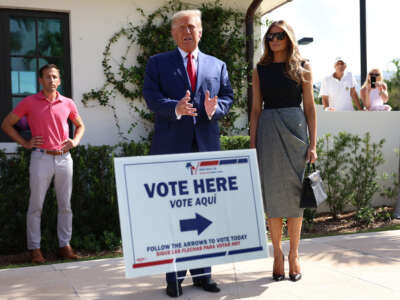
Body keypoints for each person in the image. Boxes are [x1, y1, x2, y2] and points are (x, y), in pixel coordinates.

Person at [142, 9, 234, 298]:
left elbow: (228, 96)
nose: (187, 31)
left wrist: (214, 109)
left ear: (201, 31)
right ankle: (174, 278)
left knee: (205, 213)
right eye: (181, 27)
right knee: (175, 215)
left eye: (192, 27)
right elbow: (151, 96)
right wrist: (175, 108)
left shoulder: (217, 65)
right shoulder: (158, 63)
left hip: (206, 148)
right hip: (171, 149)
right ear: (173, 33)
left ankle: (204, 275)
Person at [249, 20, 317, 282]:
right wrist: (252, 144)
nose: (273, 40)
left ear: (289, 38)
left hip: (296, 131)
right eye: (270, 36)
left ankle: (294, 254)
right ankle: (277, 254)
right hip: (268, 131)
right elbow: (255, 110)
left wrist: (313, 144)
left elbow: (310, 108)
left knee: (295, 198)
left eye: (279, 36)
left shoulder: (303, 67)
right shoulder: (260, 69)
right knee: (274, 198)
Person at [1, 64, 85, 264]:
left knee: (65, 205)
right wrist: (25, 143)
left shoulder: (68, 103)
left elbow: (80, 125)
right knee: (36, 206)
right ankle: (35, 250)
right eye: (47, 76)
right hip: (41, 157)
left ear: (60, 80)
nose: (52, 80)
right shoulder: (29, 102)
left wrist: (74, 141)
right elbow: (6, 124)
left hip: (65, 159)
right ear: (40, 81)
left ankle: (65, 246)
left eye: (55, 76)